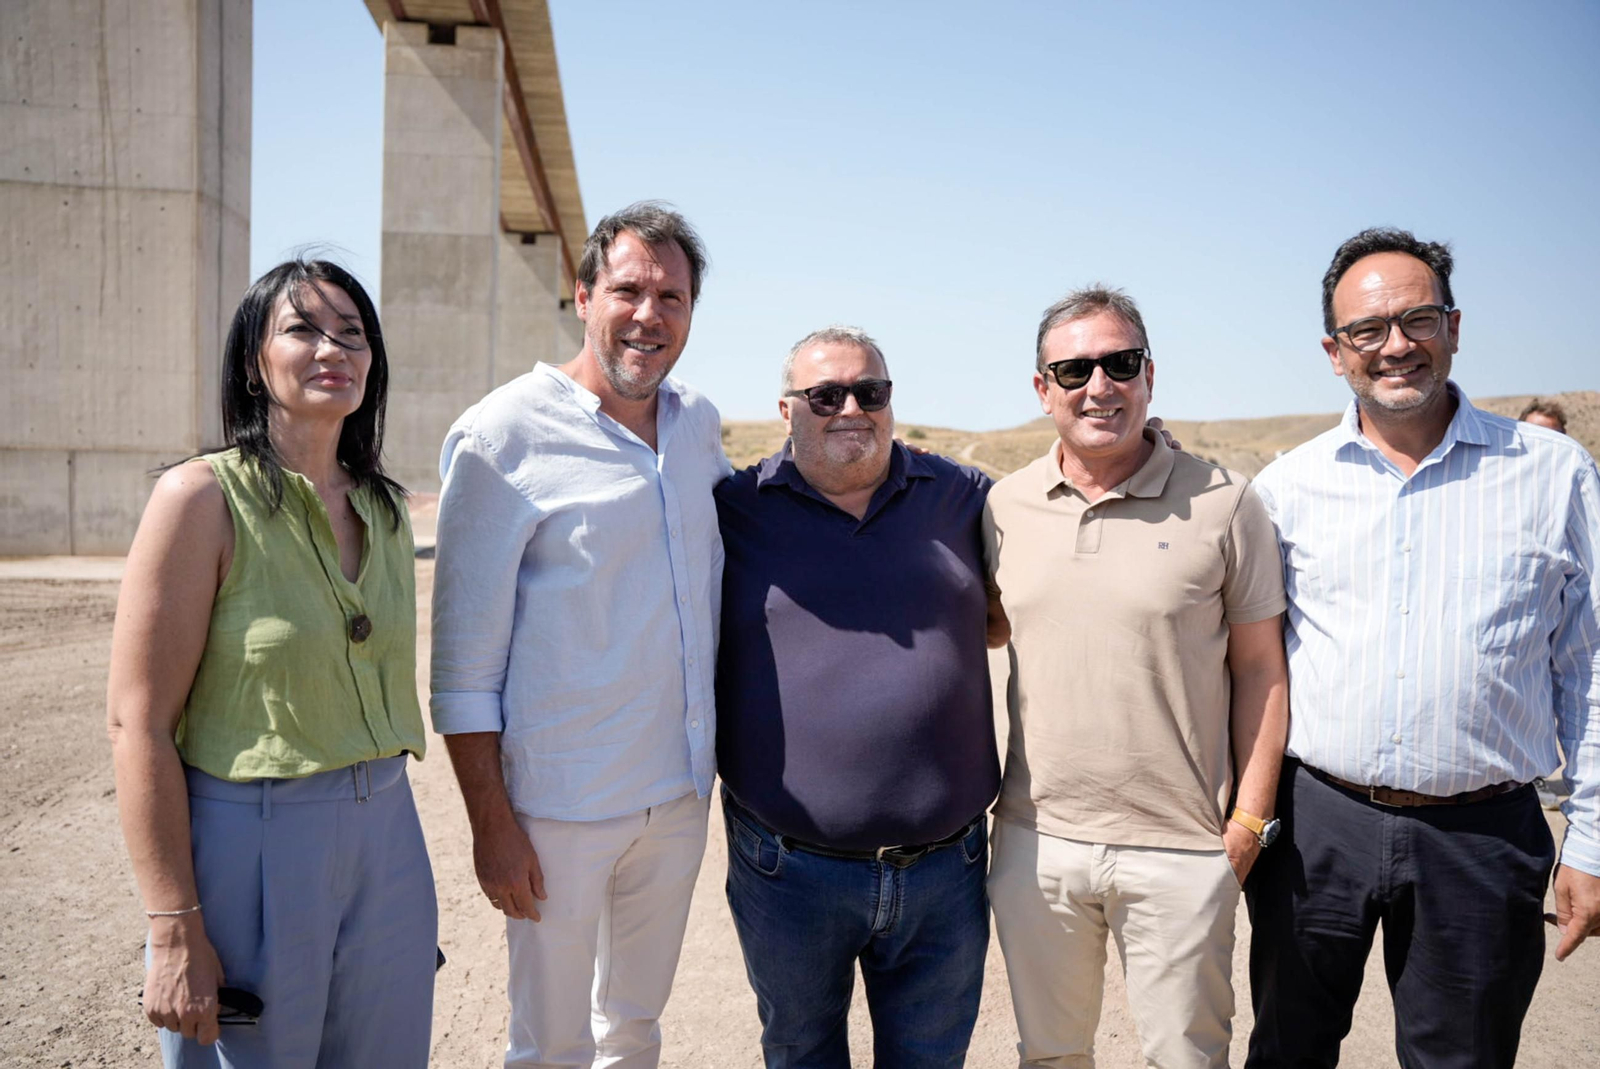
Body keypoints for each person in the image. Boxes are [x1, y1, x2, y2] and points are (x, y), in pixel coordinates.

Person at [1244, 227, 1600, 1068]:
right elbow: (1250, 664)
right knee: (1287, 1050)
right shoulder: (1286, 487)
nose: (1395, 345)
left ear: (1455, 326)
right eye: (1367, 330)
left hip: (1482, 836)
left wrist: (1590, 841)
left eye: (1418, 319)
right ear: (1335, 352)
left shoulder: (1554, 474)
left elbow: (1590, 668)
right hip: (1314, 826)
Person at [108, 259, 437, 1067]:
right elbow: (137, 723)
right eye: (302, 329)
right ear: (254, 362)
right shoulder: (200, 499)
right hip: (250, 843)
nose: (333, 348)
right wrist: (172, 924)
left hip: (389, 838)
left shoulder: (388, 510)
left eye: (352, 333)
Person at [430, 202, 725, 1068]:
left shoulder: (699, 425)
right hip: (558, 808)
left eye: (671, 297)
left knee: (634, 1029)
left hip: (678, 797)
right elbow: (461, 668)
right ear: (584, 295)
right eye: (628, 290)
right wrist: (492, 825)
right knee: (550, 1045)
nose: (649, 315)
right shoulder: (502, 436)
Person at [984, 286, 1289, 1069]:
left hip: (1184, 848)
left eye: (1120, 364)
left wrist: (1248, 826)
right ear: (1042, 388)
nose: (1100, 385)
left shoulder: (1226, 503)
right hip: (1037, 842)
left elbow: (1262, 668)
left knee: (1186, 1060)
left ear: (1149, 375)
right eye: (1074, 369)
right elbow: (982, 625)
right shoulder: (1004, 507)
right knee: (1051, 1056)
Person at [714, 326, 1003, 1068]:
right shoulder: (733, 508)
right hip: (789, 873)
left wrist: (1139, 450)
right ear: (787, 410)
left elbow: (1065, 520)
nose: (851, 408)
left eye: (869, 391)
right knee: (801, 1054)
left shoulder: (963, 496)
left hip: (945, 872)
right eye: (826, 395)